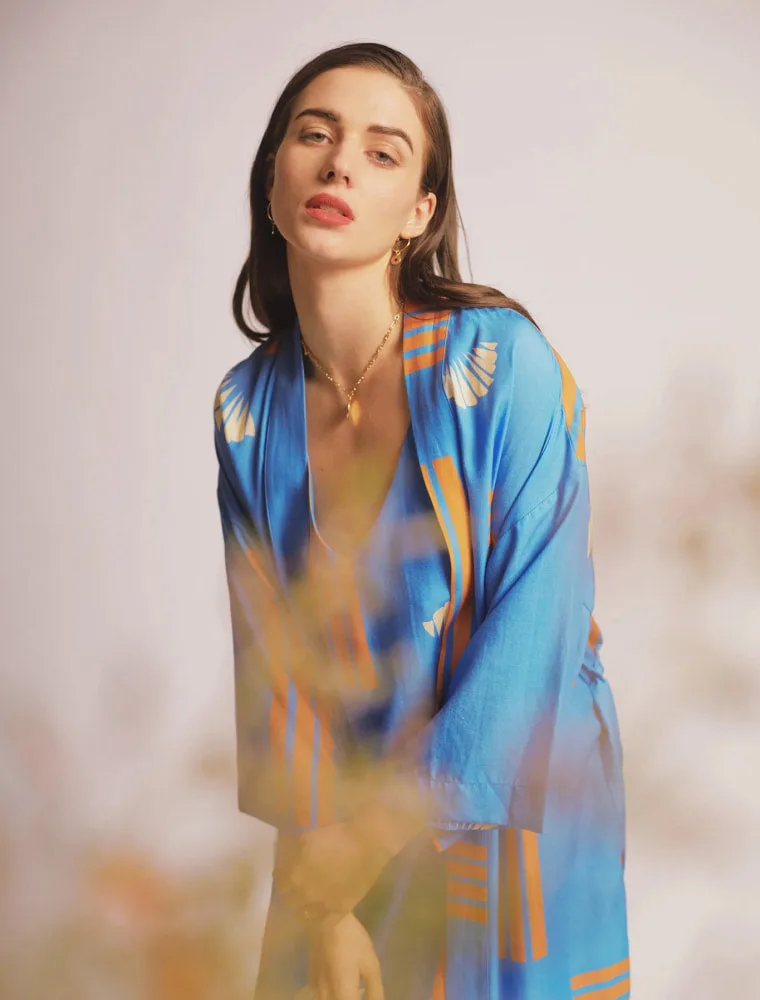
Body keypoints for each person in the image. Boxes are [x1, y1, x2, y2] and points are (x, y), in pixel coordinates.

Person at [214, 41, 629, 1000]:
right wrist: (326, 904)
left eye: (382, 151)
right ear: (273, 183)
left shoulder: (500, 364)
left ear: (420, 212)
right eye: (313, 136)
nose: (340, 164)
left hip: (515, 804)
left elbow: (539, 623)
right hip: (334, 829)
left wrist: (369, 840)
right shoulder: (246, 412)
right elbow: (275, 670)